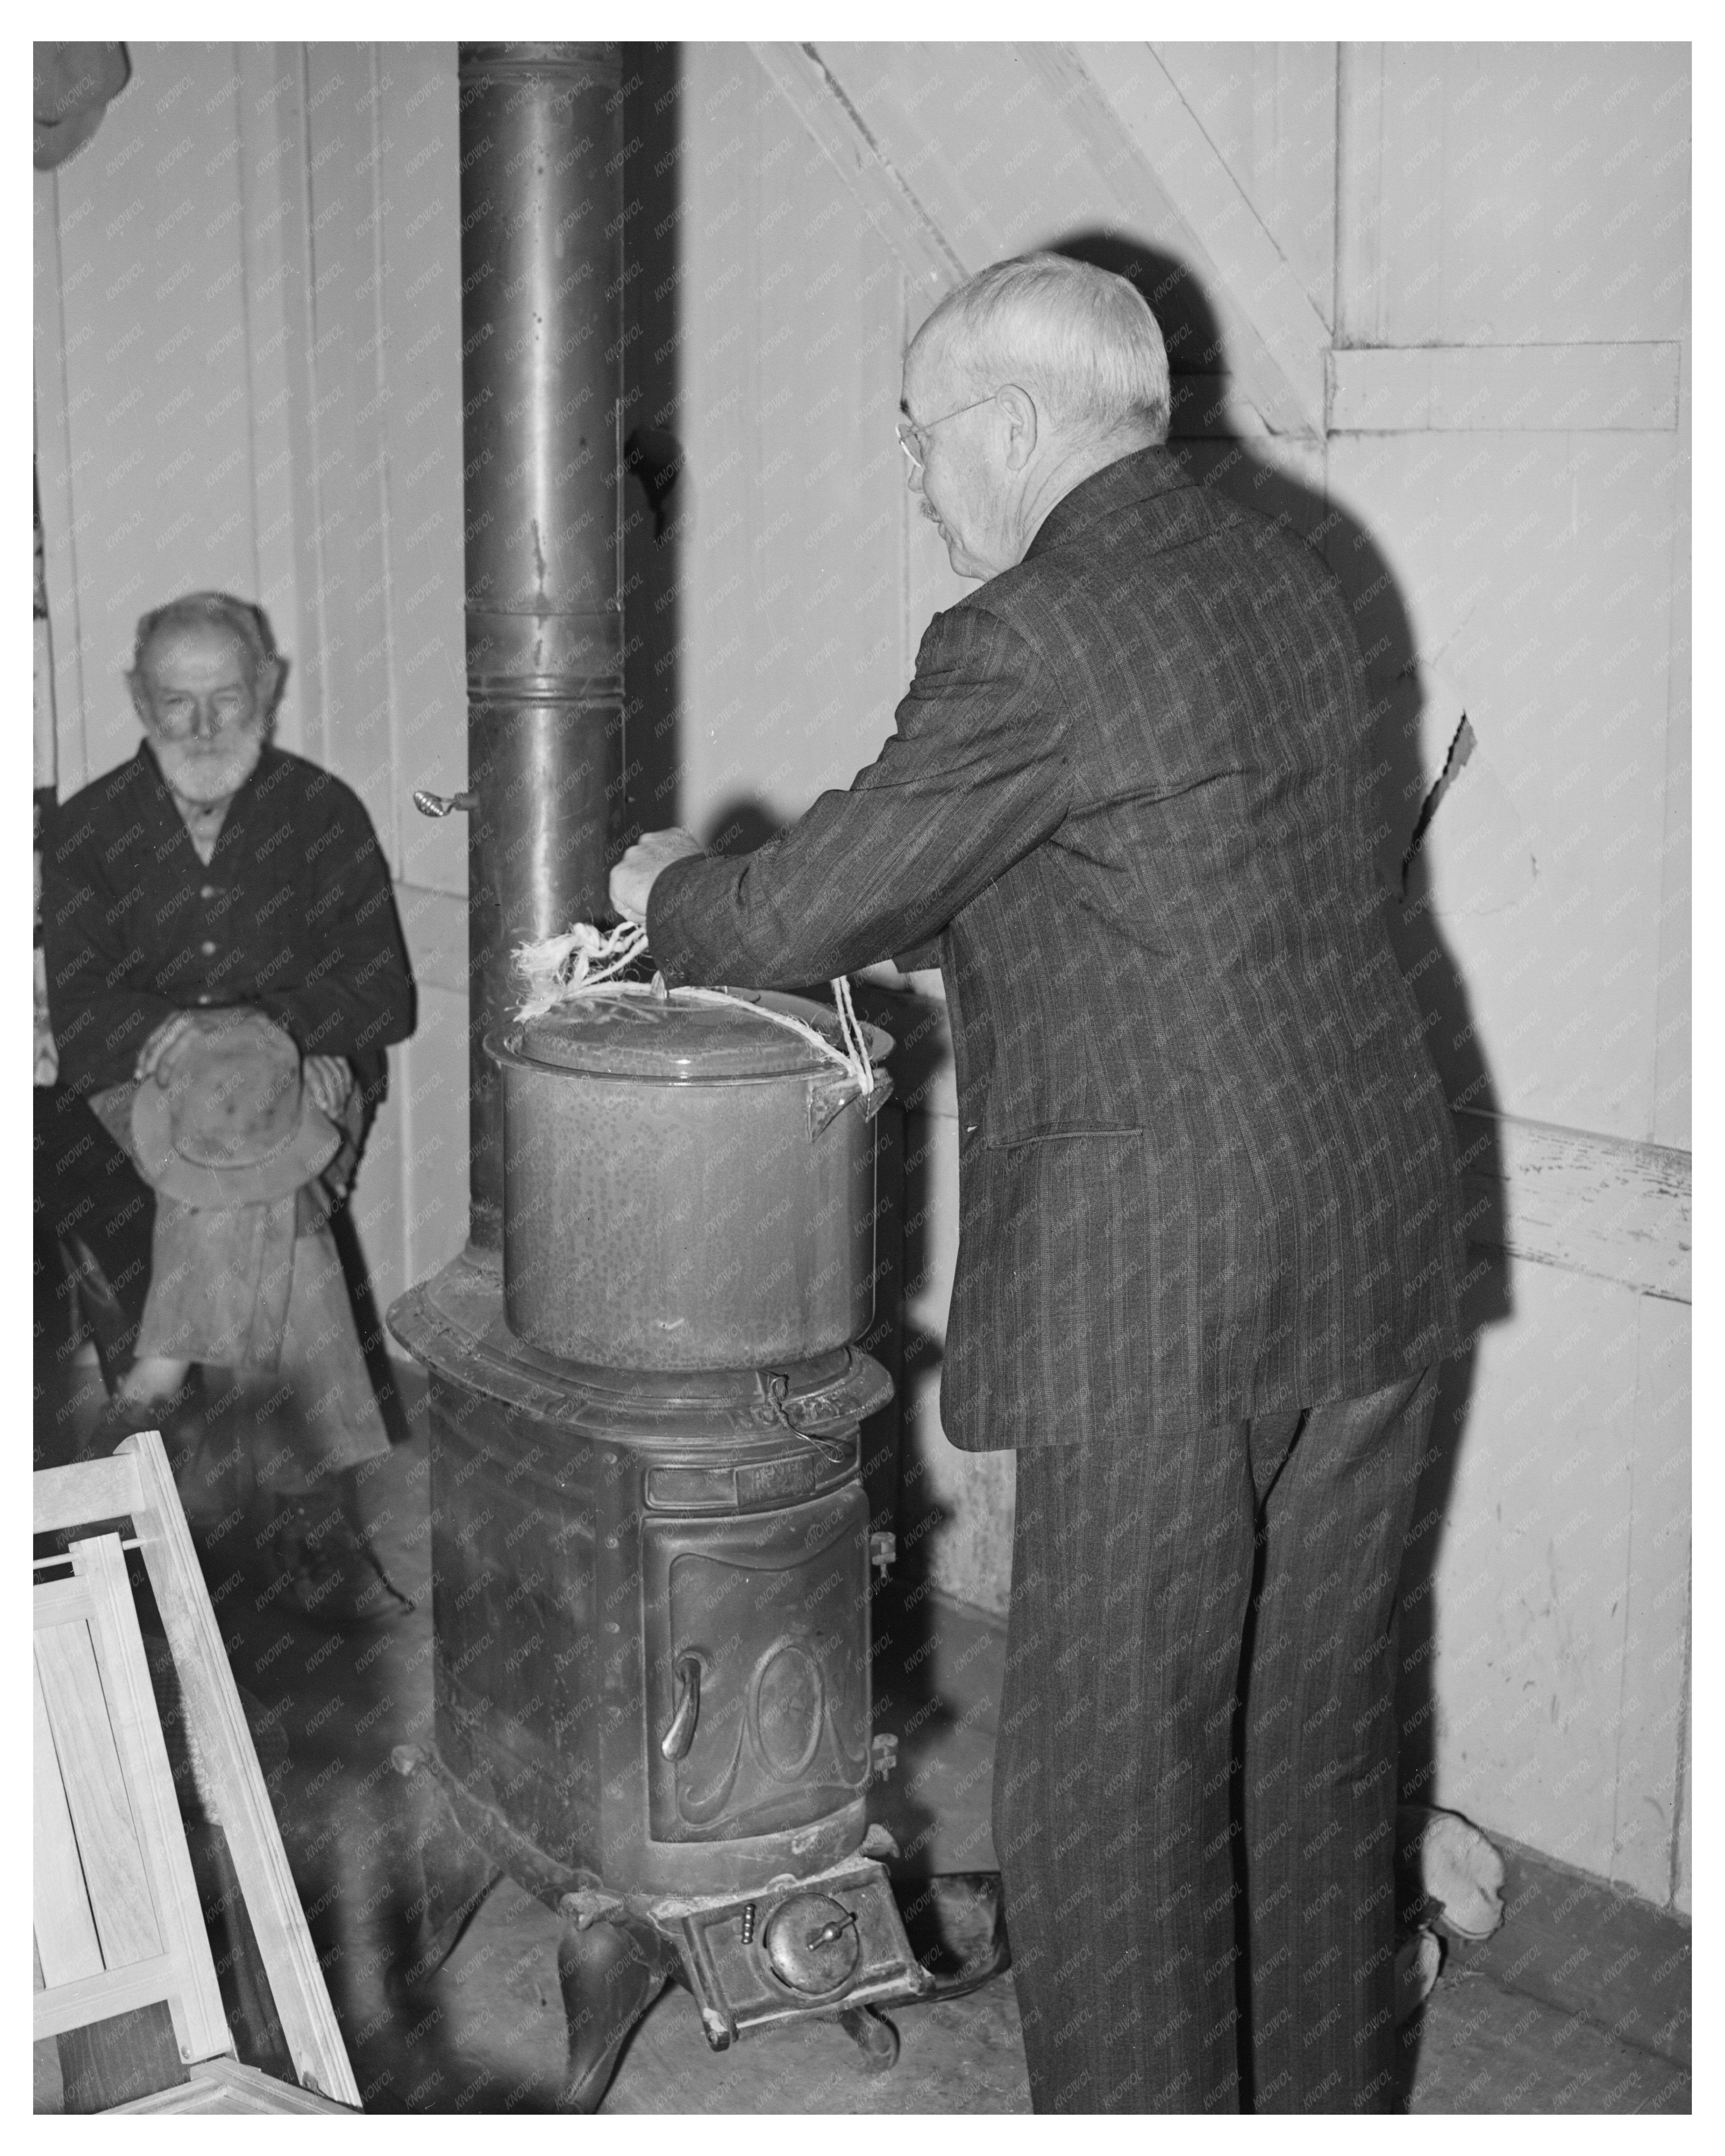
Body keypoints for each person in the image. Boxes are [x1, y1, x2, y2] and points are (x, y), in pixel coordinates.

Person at [611, 254, 1469, 2113]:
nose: (919, 478)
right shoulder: (1307, 568)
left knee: (1115, 1797)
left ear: (1006, 426)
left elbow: (784, 913)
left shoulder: (1029, 630)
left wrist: (662, 888)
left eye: (919, 438)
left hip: (1170, 1285)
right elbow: (1178, 884)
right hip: (1380, 1236)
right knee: (1316, 1756)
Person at [40, 590, 415, 1622]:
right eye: (177, 701)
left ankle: (149, 1407)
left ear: (269, 688)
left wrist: (272, 1031)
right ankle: (311, 1529)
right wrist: (194, 1047)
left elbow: (383, 995)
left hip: (309, 1076)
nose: (203, 725)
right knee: (253, 1166)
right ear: (135, 697)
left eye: (226, 697)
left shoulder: (324, 810)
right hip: (143, 1089)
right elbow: (82, 1016)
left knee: (243, 1108)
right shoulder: (87, 829)